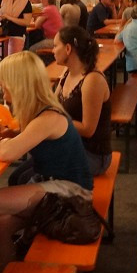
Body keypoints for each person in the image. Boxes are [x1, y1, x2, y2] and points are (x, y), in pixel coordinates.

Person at [0, 52, 92, 273]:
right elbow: (20, 135)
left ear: (18, 84)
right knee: (0, 224)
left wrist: (3, 138)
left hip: (73, 195)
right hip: (59, 185)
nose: (1, 86)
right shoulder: (41, 111)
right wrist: (10, 132)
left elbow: (7, 153)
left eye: (4, 81)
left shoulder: (47, 119)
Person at [53, 26, 112, 176]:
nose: (53, 51)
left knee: (35, 174)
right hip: (70, 145)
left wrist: (54, 121)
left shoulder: (92, 80)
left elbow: (88, 129)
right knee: (19, 175)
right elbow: (52, 106)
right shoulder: (67, 72)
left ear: (67, 48)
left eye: (55, 46)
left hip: (94, 155)